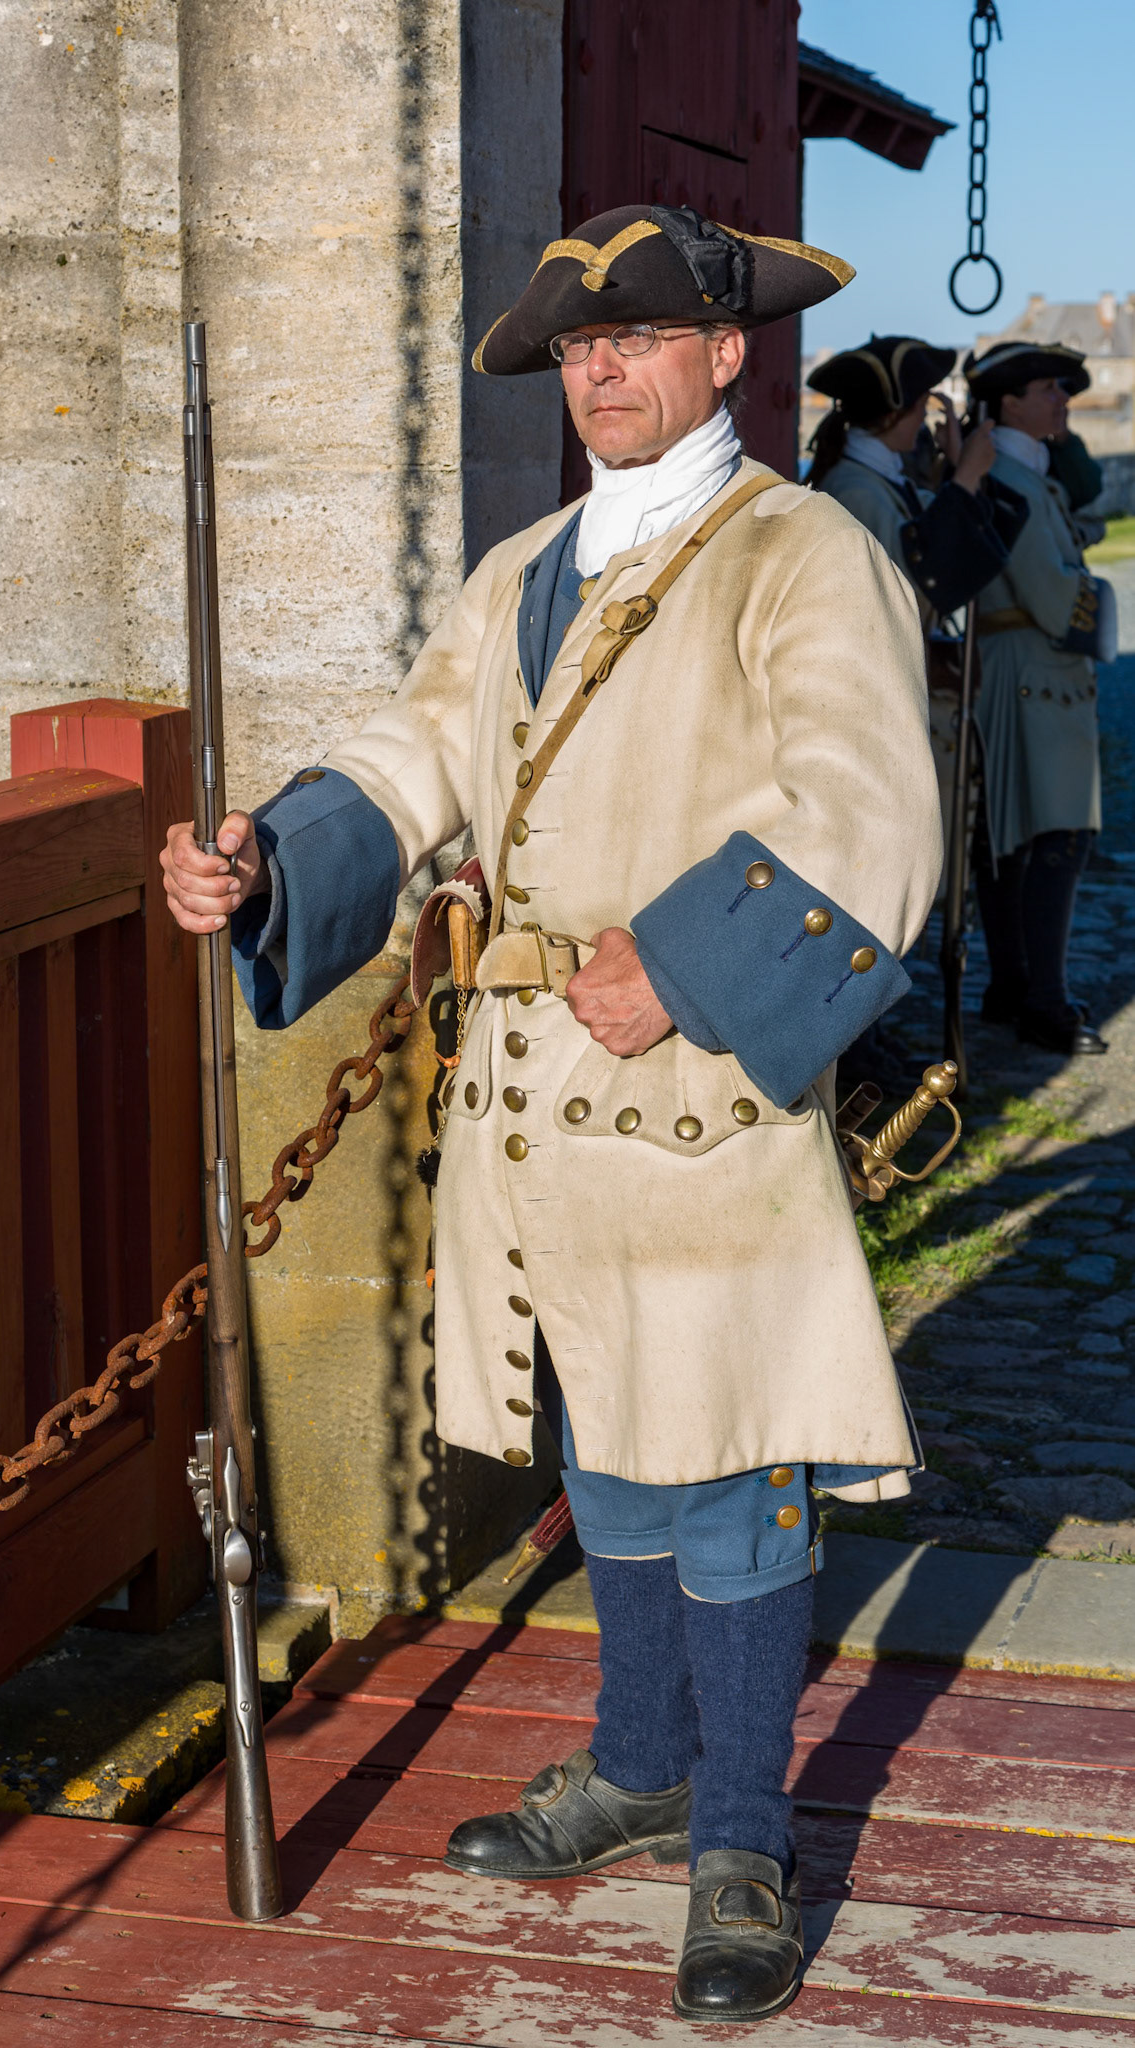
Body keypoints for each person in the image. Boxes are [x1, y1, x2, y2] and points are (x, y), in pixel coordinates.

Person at [161, 205, 942, 2024]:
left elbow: (868, 804)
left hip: (698, 1090)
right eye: (580, 349)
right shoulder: (520, 569)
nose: (602, 370)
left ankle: (743, 1829)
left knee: (733, 1462)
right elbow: (410, 753)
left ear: (725, 354)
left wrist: (684, 964)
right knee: (604, 1443)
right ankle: (640, 1757)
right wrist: (270, 853)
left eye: (645, 337)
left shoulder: (803, 554)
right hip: (532, 1099)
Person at [804, 336, 1027, 1089]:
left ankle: (862, 1043)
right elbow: (905, 593)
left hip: (895, 698)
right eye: (928, 403)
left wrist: (950, 478)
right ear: (903, 411)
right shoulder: (856, 489)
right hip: (866, 713)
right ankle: (849, 1052)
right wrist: (961, 481)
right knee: (867, 886)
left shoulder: (880, 477)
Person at [963, 341, 1117, 1055]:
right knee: (1056, 837)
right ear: (1009, 402)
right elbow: (1055, 597)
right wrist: (1101, 597)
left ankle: (1013, 986)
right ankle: (1044, 1003)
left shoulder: (1022, 473)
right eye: (1049, 389)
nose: (1062, 400)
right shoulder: (1016, 480)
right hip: (1034, 673)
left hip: (1021, 671)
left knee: (1008, 840)